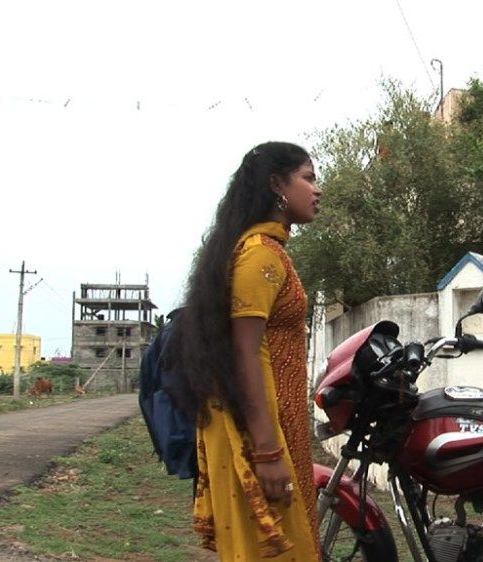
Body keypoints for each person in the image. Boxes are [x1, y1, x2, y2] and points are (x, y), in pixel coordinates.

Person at [169, 141, 323, 560]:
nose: (317, 189)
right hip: (260, 429)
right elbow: (245, 354)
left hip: (276, 421)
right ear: (277, 185)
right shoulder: (259, 257)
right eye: (308, 178)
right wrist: (268, 452)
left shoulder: (267, 251)